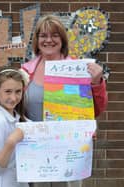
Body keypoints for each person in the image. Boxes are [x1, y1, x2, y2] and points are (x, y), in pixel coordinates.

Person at [21, 15, 108, 187]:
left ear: (62, 39)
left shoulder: (79, 69)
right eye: (43, 36)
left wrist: (97, 82)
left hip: (70, 149)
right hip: (35, 150)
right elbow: (16, 110)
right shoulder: (25, 71)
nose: (49, 40)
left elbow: (97, 108)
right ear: (37, 40)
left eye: (55, 35)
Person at [0, 66, 29, 187]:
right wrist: (10, 142)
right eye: (8, 91)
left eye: (18, 91)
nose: (13, 98)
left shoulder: (19, 117)